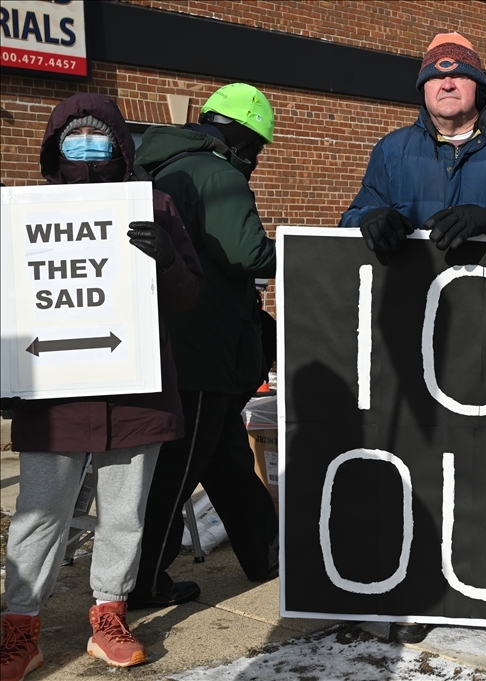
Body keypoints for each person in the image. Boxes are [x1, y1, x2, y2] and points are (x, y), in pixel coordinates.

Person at [340, 32, 486, 649]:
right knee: (424, 468)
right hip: (419, 343)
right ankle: (423, 592)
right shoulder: (393, 151)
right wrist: (369, 219)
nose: (446, 83)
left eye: (459, 74)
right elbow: (351, 217)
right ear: (423, 89)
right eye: (434, 76)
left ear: (479, 86)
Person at [1, 93, 203, 680]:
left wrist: (166, 260)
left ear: (120, 144)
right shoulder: (26, 211)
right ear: (54, 144)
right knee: (39, 513)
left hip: (135, 395)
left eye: (99, 135)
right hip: (53, 394)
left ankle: (109, 615)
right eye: (74, 134)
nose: (87, 145)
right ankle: (20, 626)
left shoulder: (155, 205)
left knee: (124, 515)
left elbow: (190, 299)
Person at [127, 83, 280, 610]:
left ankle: (266, 552)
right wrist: (299, 249)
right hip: (204, 349)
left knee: (224, 455)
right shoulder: (218, 174)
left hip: (169, 340)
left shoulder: (157, 166)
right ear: (242, 136)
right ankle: (143, 579)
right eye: (256, 147)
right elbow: (249, 254)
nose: (256, 158)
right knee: (179, 467)